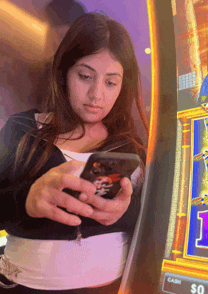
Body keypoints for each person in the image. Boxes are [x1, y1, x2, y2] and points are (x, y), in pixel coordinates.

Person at [0, 12, 148, 294]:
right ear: (64, 73)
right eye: (85, 76)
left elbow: (155, 223)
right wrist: (28, 200)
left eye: (111, 82)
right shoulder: (22, 130)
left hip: (115, 287)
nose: (96, 95)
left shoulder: (130, 146)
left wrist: (126, 211)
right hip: (25, 287)